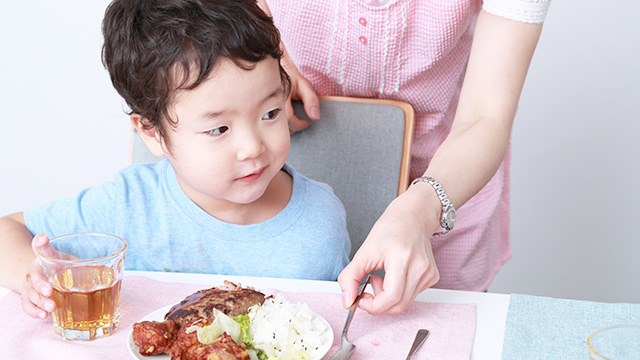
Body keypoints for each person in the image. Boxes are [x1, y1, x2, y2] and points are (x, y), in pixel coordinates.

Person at [0, 0, 351, 320]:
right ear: (151, 132)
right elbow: (6, 230)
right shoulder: (128, 206)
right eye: (219, 129)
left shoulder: (321, 220)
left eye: (271, 112)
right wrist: (32, 274)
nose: (252, 148)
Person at [257, 0, 552, 314]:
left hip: (447, 185)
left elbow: (485, 117)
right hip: (287, 194)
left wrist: (421, 211)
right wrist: (269, 51)